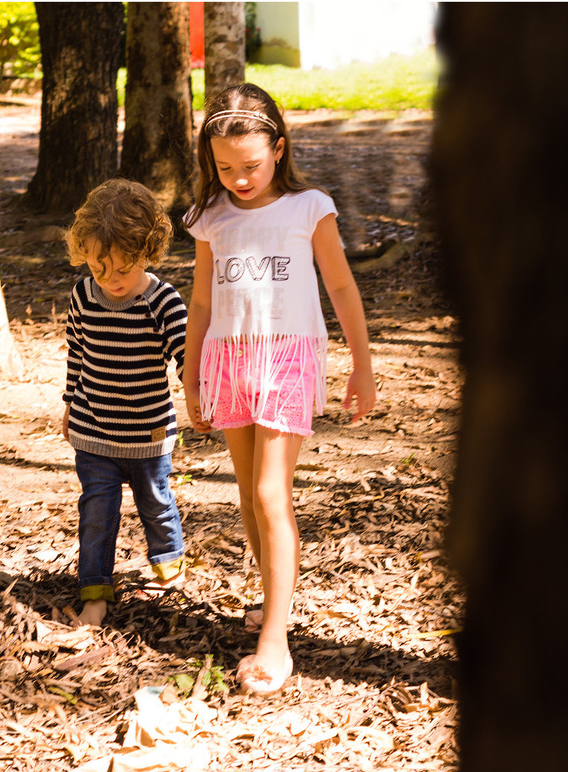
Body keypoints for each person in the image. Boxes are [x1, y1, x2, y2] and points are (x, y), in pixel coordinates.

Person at [183, 84, 377, 695]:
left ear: (280, 149)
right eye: (225, 168)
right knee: (247, 493)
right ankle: (274, 601)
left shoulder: (309, 207)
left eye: (252, 165)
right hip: (228, 360)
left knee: (272, 492)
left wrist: (362, 364)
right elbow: (202, 301)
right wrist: (191, 376)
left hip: (288, 358)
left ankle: (276, 640)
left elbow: (342, 287)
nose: (240, 179)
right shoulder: (210, 217)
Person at [62, 178, 189, 627]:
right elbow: (77, 352)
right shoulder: (82, 296)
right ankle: (94, 589)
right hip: (94, 431)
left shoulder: (162, 301)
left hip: (148, 435)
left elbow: (184, 355)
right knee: (97, 512)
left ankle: (168, 557)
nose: (110, 280)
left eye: (122, 269)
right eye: (99, 269)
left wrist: (201, 394)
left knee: (155, 500)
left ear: (148, 252)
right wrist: (69, 404)